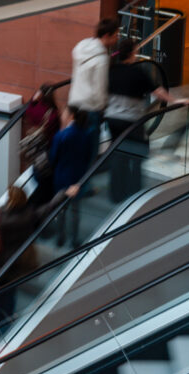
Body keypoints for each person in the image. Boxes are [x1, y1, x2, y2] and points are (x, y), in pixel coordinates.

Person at [106, 38, 189, 202]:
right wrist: (176, 101)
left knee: (117, 154)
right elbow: (158, 92)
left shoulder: (111, 70)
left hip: (112, 119)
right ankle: (134, 194)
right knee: (138, 154)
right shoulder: (138, 72)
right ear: (132, 52)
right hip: (131, 122)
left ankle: (116, 194)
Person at [0, 185, 63, 334]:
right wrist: (64, 193)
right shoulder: (28, 215)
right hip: (14, 263)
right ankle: (5, 326)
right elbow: (49, 207)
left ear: (10, 199)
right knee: (9, 295)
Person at [68, 18, 119, 163]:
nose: (117, 39)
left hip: (75, 105)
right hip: (91, 109)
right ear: (106, 36)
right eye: (115, 35)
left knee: (76, 147)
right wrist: (103, 106)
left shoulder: (82, 45)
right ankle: (84, 183)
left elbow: (74, 52)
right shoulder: (102, 60)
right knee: (91, 152)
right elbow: (99, 89)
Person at [49, 107, 91, 248]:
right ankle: (74, 239)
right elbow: (87, 158)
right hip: (78, 177)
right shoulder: (84, 135)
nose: (62, 115)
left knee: (60, 209)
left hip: (61, 176)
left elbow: (53, 157)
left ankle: (60, 237)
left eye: (65, 113)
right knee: (75, 209)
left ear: (71, 116)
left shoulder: (60, 135)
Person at [21, 84, 61, 204]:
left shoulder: (35, 109)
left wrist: (34, 98)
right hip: (48, 148)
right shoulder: (53, 114)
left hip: (36, 149)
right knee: (47, 178)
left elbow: (28, 109)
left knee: (38, 172)